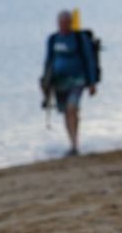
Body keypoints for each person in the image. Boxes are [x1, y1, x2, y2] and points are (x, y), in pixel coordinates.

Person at [41, 10, 99, 156]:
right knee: (66, 112)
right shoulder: (53, 39)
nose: (63, 26)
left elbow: (89, 59)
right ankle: (72, 144)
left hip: (78, 80)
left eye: (65, 23)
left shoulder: (79, 38)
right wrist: (45, 83)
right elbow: (48, 61)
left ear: (70, 23)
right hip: (59, 82)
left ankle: (74, 144)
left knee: (72, 108)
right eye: (60, 23)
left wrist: (92, 83)